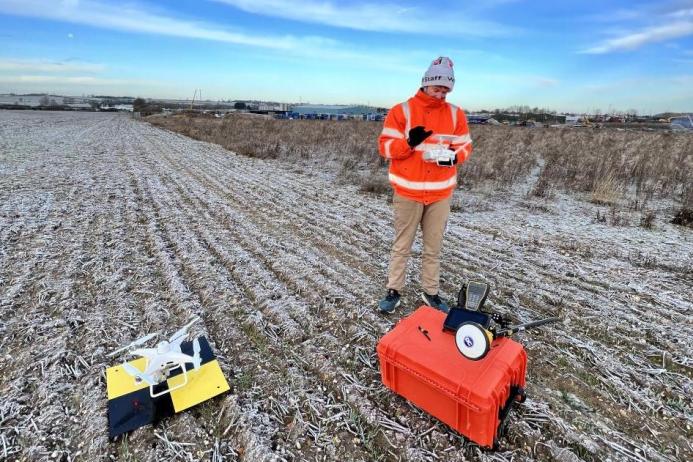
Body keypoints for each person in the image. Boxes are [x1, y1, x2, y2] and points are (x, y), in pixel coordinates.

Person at [377, 56, 473, 314]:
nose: (441, 94)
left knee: (433, 247)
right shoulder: (401, 111)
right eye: (437, 88)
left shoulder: (456, 113)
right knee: (402, 245)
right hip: (408, 192)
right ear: (425, 84)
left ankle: (431, 292)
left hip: (441, 193)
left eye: (446, 89)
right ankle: (393, 290)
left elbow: (465, 145)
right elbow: (385, 148)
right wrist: (408, 142)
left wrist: (455, 156)